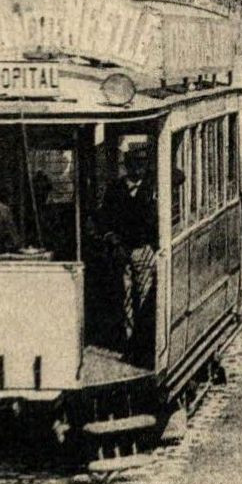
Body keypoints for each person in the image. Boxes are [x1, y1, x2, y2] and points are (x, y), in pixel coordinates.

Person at [95, 141, 159, 359]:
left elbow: (178, 175)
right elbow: (104, 219)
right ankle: (128, 340)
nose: (137, 169)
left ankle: (140, 343)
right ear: (128, 165)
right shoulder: (115, 188)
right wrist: (111, 238)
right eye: (134, 164)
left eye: (142, 164)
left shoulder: (153, 186)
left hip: (144, 250)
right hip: (122, 250)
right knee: (125, 297)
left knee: (143, 295)